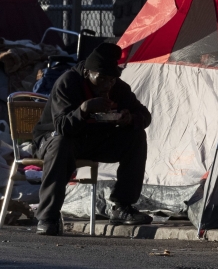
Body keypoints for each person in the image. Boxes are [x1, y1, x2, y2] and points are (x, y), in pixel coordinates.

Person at [32, 43, 152, 236]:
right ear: (88, 73)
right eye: (101, 79)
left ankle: (122, 206)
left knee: (136, 136)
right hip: (53, 140)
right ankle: (48, 216)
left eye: (111, 80)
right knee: (62, 144)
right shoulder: (68, 82)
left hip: (90, 140)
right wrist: (84, 110)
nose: (106, 85)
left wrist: (130, 118)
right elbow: (62, 127)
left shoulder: (117, 88)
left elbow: (145, 115)